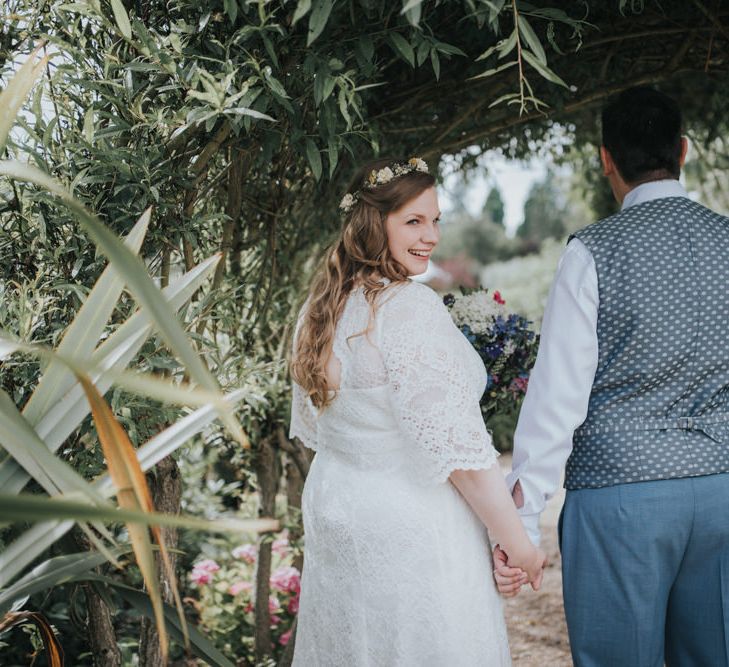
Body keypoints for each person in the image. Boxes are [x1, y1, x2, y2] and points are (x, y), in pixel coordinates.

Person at [495, 86, 729, 666]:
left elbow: (558, 397)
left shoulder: (594, 252)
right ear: (682, 150)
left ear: (605, 159)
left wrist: (520, 518)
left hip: (621, 499)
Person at [289, 157, 546, 666]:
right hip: (414, 534)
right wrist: (519, 545)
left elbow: (330, 431)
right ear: (372, 223)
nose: (430, 236)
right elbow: (461, 456)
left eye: (435, 219)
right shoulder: (408, 308)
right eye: (413, 221)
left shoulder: (318, 310)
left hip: (341, 520)